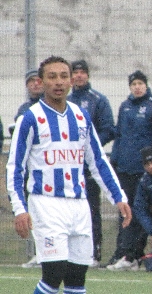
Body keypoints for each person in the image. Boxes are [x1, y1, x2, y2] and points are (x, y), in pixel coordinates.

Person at [6, 56, 132, 294]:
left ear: (71, 81)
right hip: (46, 203)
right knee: (53, 275)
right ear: (41, 82)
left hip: (79, 206)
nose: (58, 82)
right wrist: (20, 208)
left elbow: (98, 161)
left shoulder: (81, 117)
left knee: (76, 279)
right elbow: (15, 167)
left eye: (64, 76)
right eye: (52, 77)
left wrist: (118, 196)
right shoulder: (30, 118)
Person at [107, 70, 152, 270]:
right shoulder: (125, 106)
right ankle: (122, 253)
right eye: (133, 83)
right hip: (124, 169)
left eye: (140, 83)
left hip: (144, 172)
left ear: (146, 85)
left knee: (141, 212)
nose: (137, 87)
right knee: (124, 212)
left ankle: (134, 255)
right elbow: (119, 136)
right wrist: (115, 162)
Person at [67, 59, 116, 267]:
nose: (78, 76)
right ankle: (68, 252)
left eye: (82, 72)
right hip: (67, 166)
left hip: (87, 167)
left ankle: (93, 253)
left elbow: (108, 130)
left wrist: (86, 148)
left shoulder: (98, 100)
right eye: (75, 72)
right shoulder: (65, 100)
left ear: (87, 75)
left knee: (91, 210)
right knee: (67, 210)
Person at [14, 69, 45, 269]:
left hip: (43, 170)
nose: (34, 84)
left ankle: (47, 253)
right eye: (30, 81)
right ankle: (37, 252)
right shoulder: (24, 109)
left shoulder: (48, 107)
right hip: (27, 170)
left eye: (37, 81)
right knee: (32, 212)